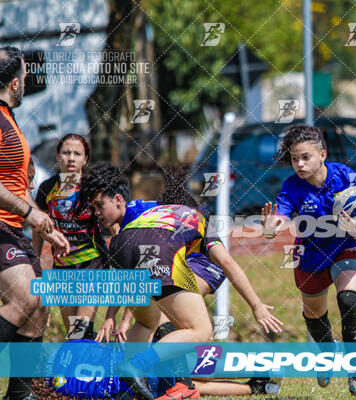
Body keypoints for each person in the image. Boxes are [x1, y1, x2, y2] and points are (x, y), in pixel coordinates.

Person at [77, 162, 283, 400]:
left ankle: (138, 378)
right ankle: (143, 371)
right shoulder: (189, 218)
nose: (98, 213)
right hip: (163, 256)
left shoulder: (148, 214)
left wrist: (118, 316)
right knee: (196, 330)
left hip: (150, 254)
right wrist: (256, 305)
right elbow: (228, 263)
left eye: (99, 206)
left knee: (152, 322)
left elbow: (135, 276)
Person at [261, 125, 356, 396]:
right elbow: (278, 220)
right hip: (310, 256)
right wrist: (270, 227)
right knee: (315, 315)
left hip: (346, 247)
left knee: (349, 300)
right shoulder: (292, 186)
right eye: (294, 158)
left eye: (306, 157)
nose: (299, 164)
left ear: (322, 155)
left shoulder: (345, 177)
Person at [0, 45, 69, 400]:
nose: (28, 81)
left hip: (15, 227)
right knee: (26, 295)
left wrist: (45, 226)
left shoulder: (10, 121)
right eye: (25, 75)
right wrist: (31, 214)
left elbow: (17, 186)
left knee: (41, 303)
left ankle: (19, 396)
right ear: (15, 83)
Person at [33, 134, 107, 341]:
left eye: (77, 154)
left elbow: (111, 218)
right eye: (66, 152)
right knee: (74, 334)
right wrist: (36, 262)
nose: (71, 158)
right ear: (58, 155)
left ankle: (90, 371)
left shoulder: (94, 187)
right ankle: (80, 371)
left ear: (85, 159)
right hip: (62, 268)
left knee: (82, 329)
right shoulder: (47, 188)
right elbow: (38, 226)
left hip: (92, 265)